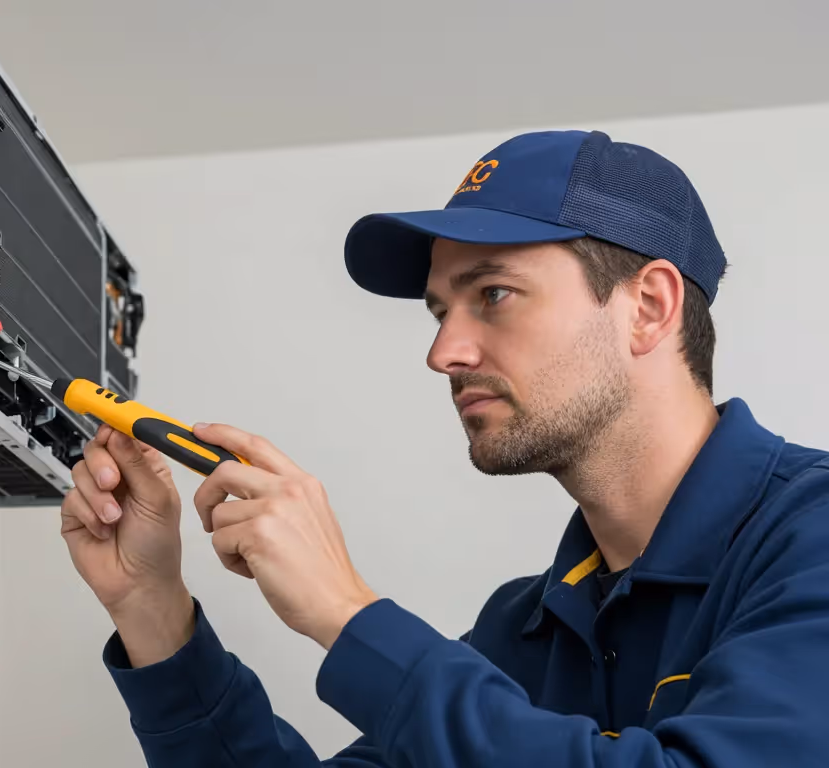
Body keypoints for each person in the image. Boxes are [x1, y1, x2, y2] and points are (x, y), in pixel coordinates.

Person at [59, 130, 829, 766]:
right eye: (439, 311)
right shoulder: (526, 627)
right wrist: (152, 607)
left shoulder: (810, 538)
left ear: (649, 307)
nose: (444, 352)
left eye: (493, 293)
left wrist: (346, 613)